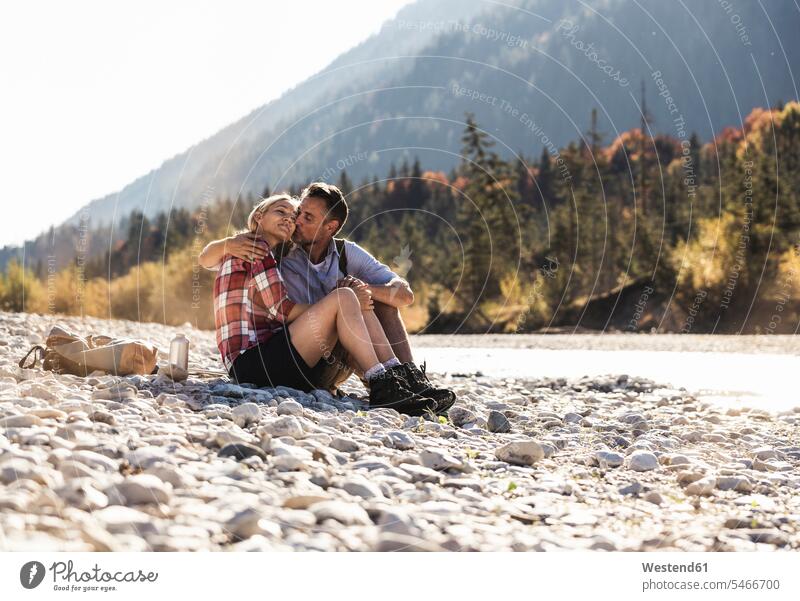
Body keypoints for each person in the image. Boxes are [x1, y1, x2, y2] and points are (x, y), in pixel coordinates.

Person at [200, 182, 455, 412]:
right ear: (259, 216)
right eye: (289, 213)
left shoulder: (341, 252)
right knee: (347, 296)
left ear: (330, 227)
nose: (294, 221)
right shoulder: (264, 249)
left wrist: (360, 292)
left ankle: (405, 381)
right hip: (265, 359)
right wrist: (225, 244)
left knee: (370, 299)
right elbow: (209, 261)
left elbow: (404, 295)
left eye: (302, 217)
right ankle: (384, 382)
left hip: (300, 356)